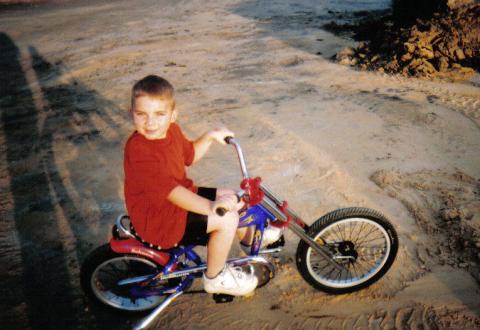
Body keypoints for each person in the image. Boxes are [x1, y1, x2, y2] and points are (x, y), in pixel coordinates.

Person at [124, 75, 257, 296]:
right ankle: (216, 278)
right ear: (132, 114)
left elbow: (190, 155)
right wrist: (211, 207)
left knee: (232, 194)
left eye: (159, 114)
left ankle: (247, 241)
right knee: (227, 218)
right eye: (141, 114)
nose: (150, 123)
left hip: (177, 199)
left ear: (172, 115)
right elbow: (173, 193)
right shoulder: (140, 151)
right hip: (160, 219)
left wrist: (210, 136)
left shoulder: (172, 131)